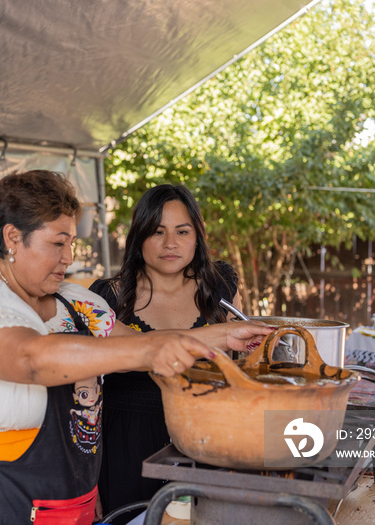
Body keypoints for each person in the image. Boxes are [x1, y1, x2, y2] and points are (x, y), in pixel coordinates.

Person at [0, 171, 272, 525]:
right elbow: (31, 359)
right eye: (58, 243)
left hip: (62, 496)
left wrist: (224, 337)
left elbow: (137, 342)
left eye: (71, 243)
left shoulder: (73, 302)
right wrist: (149, 353)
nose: (69, 258)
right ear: (13, 238)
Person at [89, 183, 245, 516]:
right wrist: (88, 481)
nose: (170, 243)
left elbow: (242, 369)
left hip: (207, 440)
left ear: (197, 236)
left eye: (182, 231)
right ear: (139, 236)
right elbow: (83, 387)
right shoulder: (108, 297)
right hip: (127, 442)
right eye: (157, 231)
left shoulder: (220, 288)